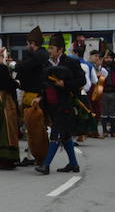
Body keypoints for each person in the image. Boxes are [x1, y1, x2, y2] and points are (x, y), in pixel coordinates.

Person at [34, 34, 86, 175]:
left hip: (66, 103)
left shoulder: (71, 62)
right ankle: (74, 164)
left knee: (56, 133)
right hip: (51, 104)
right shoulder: (47, 64)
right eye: (49, 48)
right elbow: (44, 85)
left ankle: (46, 165)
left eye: (52, 48)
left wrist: (65, 84)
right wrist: (40, 97)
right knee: (65, 135)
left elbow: (82, 81)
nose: (49, 51)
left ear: (60, 49)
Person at [14, 27, 50, 165]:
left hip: (34, 95)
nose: (26, 46)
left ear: (33, 43)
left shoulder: (38, 56)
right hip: (31, 94)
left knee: (35, 127)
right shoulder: (38, 56)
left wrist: (13, 66)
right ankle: (32, 154)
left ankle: (35, 156)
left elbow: (21, 67)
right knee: (32, 127)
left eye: (28, 43)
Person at [99, 52, 115, 137]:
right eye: (107, 58)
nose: (108, 60)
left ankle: (113, 131)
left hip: (113, 91)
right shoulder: (101, 68)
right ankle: (104, 130)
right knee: (104, 112)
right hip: (103, 91)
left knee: (113, 112)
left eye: (110, 58)